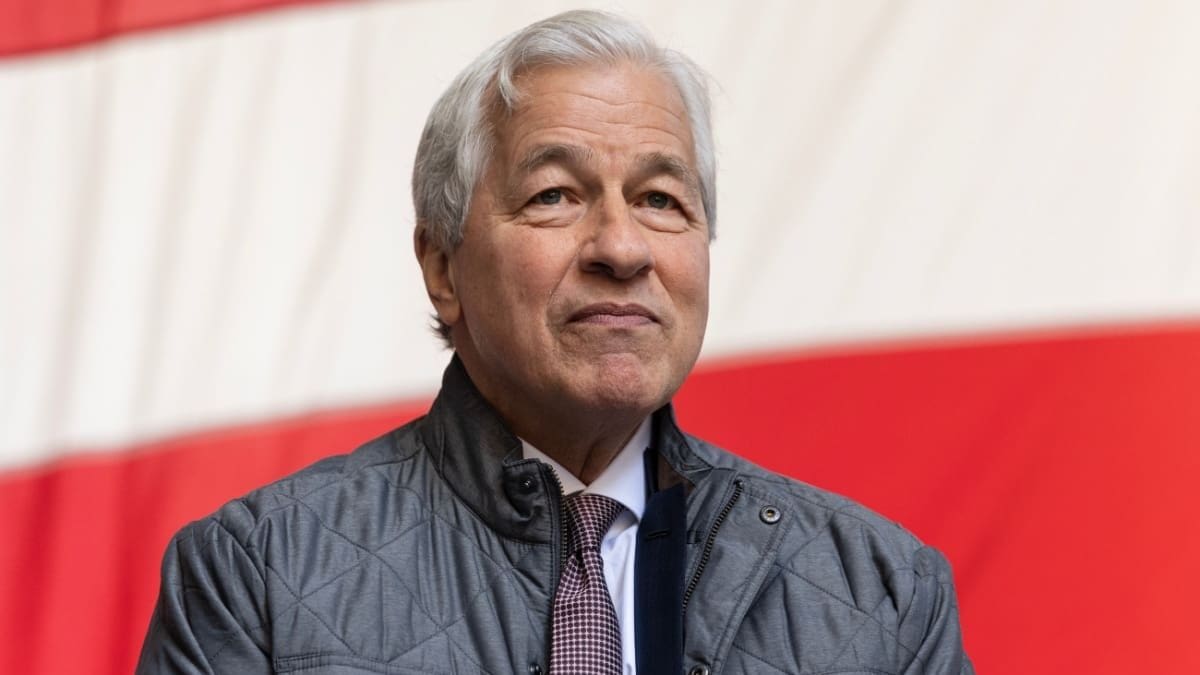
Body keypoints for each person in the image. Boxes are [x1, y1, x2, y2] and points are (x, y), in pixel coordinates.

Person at [137, 10, 972, 675]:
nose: (622, 247)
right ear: (442, 267)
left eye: (660, 200)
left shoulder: (884, 595)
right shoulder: (258, 579)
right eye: (554, 195)